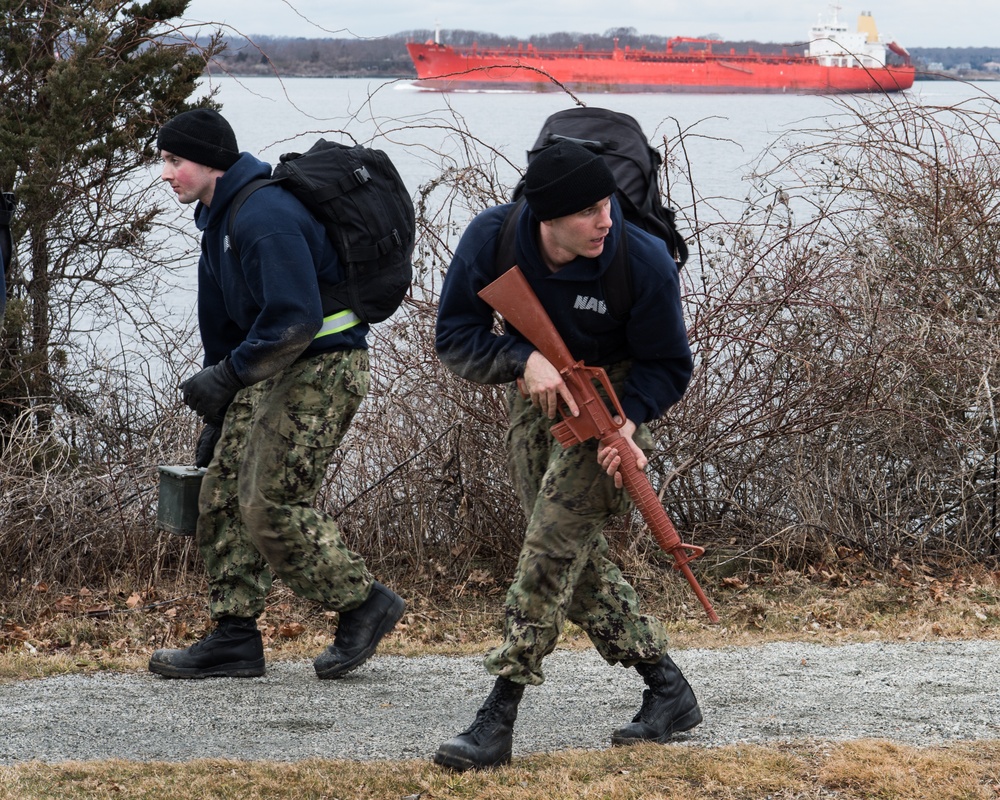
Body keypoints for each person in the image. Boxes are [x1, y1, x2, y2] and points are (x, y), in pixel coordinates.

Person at [433, 140, 701, 770]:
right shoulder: (493, 239)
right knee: (565, 554)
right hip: (541, 396)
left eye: (606, 203)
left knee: (550, 550)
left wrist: (631, 424)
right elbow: (454, 336)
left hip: (615, 405)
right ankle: (668, 689)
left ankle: (497, 716)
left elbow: (670, 363)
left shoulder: (643, 260)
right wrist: (519, 359)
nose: (605, 219)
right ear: (545, 218)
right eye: (586, 211)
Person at [149, 108, 404, 680]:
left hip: (323, 366)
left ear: (211, 162)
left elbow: (294, 320)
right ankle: (234, 638)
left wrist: (230, 377)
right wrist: (220, 406)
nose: (165, 173)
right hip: (267, 368)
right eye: (163, 160)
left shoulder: (264, 214)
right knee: (220, 494)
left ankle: (364, 604)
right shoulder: (218, 220)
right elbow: (229, 327)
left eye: (174, 160)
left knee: (270, 502)